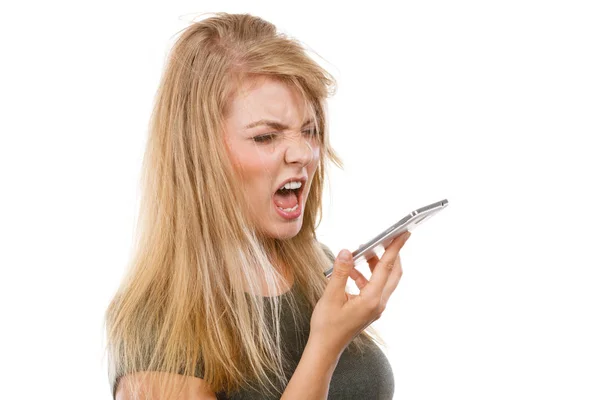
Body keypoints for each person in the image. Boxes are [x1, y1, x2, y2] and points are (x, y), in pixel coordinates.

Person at [104, 12, 412, 400]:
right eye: (266, 137)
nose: (303, 153)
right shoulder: (157, 328)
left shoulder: (317, 267)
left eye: (309, 130)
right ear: (200, 156)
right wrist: (325, 347)